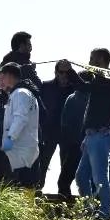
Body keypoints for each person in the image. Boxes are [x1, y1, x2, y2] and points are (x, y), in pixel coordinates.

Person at [62, 49, 110, 220]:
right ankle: (90, 210)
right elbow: (86, 86)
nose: (89, 61)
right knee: (81, 176)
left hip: (101, 135)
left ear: (101, 60)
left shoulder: (108, 78)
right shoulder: (99, 79)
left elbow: (84, 87)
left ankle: (105, 213)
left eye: (92, 59)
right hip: (92, 135)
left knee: (100, 177)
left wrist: (70, 71)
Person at [0, 62, 41, 188]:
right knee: (24, 184)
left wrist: (11, 138)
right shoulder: (18, 93)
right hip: (23, 147)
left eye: (3, 77)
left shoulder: (20, 93)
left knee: (23, 184)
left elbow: (21, 118)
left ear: (10, 76)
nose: (1, 80)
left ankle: (26, 207)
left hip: (22, 147)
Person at [38, 60, 74, 190]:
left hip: (68, 132)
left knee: (66, 165)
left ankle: (64, 192)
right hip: (49, 130)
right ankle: (37, 189)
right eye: (61, 72)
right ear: (56, 72)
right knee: (43, 162)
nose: (64, 75)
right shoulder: (46, 86)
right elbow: (39, 109)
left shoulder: (75, 88)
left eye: (67, 72)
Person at [59, 71, 93, 199]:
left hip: (74, 141)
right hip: (87, 140)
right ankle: (93, 197)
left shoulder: (72, 97)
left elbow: (65, 122)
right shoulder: (92, 98)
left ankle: (64, 192)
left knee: (69, 169)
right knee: (91, 171)